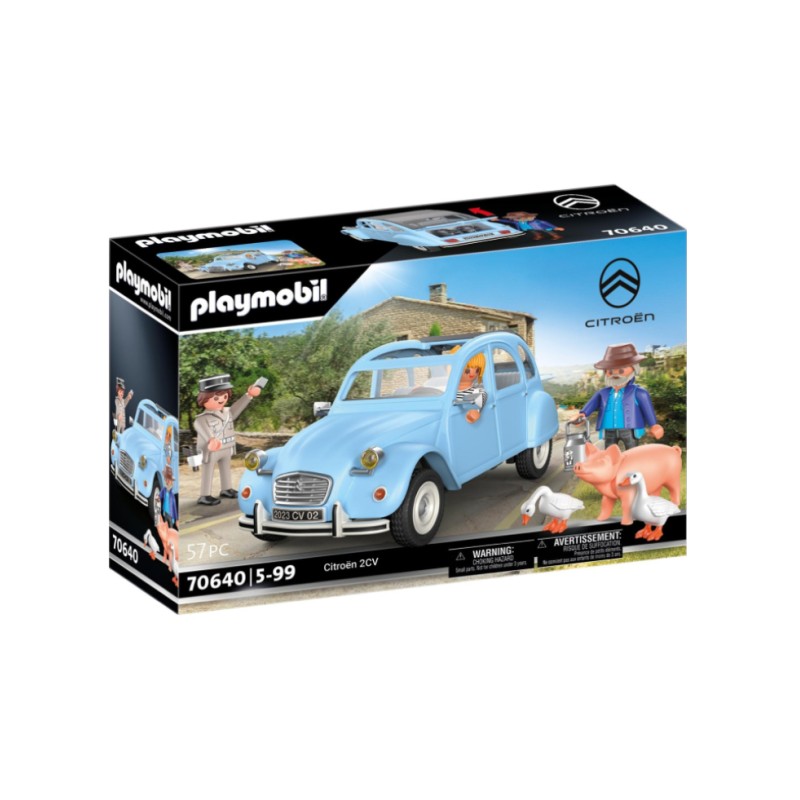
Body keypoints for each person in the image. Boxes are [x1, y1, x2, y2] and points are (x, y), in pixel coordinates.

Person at [573, 343, 663, 450]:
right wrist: (582, 415)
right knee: (609, 455)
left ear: (634, 368)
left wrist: (654, 425)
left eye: (621, 370)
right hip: (609, 431)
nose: (615, 374)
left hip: (630, 430)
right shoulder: (602, 393)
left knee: (632, 454)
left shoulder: (639, 392)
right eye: (610, 371)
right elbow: (590, 405)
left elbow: (647, 409)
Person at [194, 374, 262, 505]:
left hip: (226, 447)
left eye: (224, 396)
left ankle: (226, 488)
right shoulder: (202, 418)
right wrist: (211, 439)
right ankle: (204, 495)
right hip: (211, 450)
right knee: (208, 470)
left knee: (226, 468)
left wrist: (249, 395)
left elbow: (238, 407)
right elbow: (200, 427)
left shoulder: (227, 412)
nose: (221, 400)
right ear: (204, 398)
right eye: (216, 397)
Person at [450, 349, 487, 424]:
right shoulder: (448, 391)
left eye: (477, 371)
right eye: (467, 371)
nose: (472, 374)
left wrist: (475, 412)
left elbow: (480, 401)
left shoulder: (478, 392)